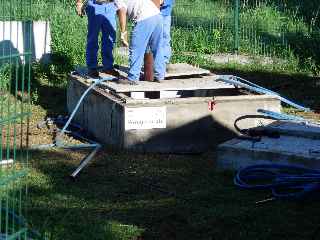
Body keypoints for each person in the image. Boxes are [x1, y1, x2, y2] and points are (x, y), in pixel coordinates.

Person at [114, 0, 166, 85]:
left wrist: (123, 33)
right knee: (157, 48)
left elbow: (122, 12)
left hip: (144, 18)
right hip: (157, 16)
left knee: (136, 49)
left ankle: (133, 78)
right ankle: (160, 76)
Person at [76, 0, 120, 78]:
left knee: (110, 39)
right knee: (93, 38)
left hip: (110, 7)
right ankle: (92, 67)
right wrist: (79, 3)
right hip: (95, 6)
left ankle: (108, 67)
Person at [160, 0, 175, 66]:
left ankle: (165, 62)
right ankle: (150, 62)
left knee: (165, 37)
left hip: (165, 14)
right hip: (152, 14)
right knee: (151, 38)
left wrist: (163, 2)